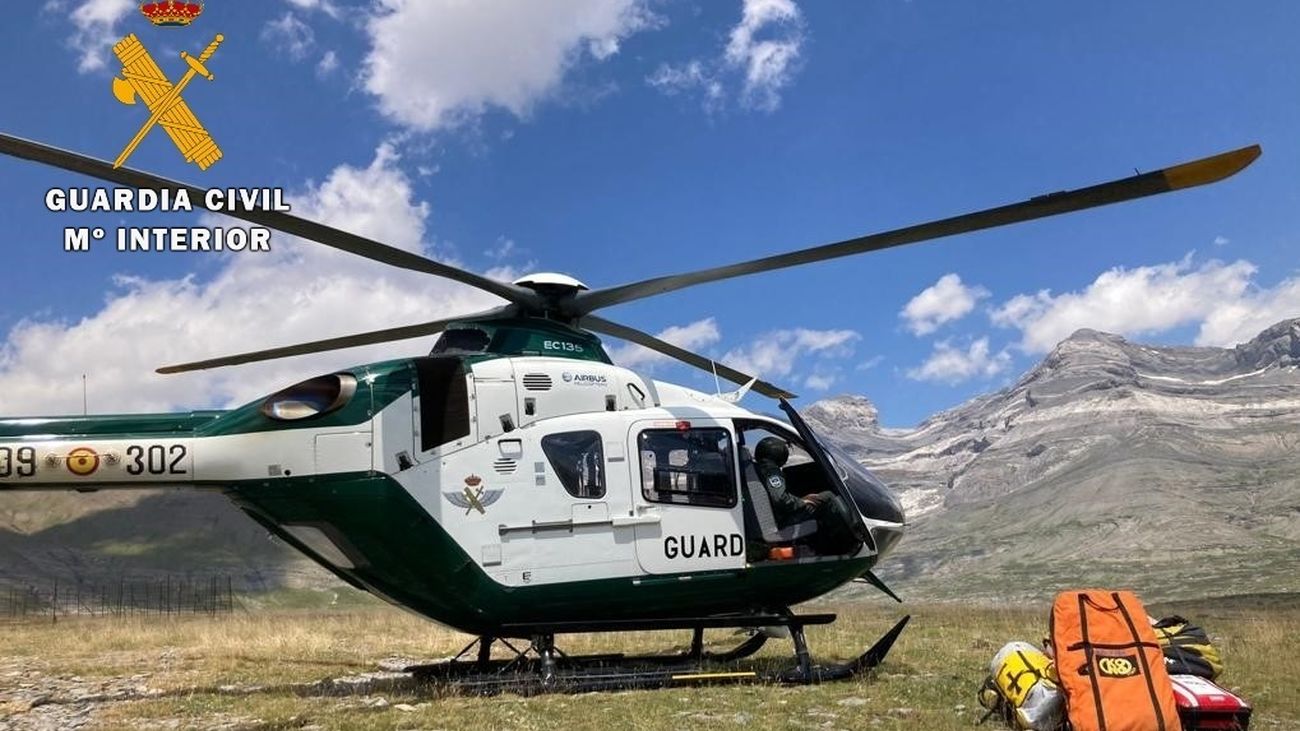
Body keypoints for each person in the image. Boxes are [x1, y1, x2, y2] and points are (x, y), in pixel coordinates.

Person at [752, 436, 860, 551]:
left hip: (772, 519)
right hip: (781, 522)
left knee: (817, 498)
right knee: (827, 497)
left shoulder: (758, 469)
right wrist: (801, 502)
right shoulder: (771, 471)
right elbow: (780, 499)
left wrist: (801, 499)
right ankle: (850, 542)